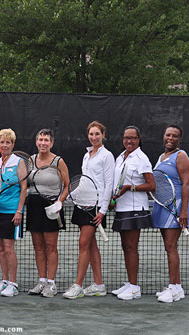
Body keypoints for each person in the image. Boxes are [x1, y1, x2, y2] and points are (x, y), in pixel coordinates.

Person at [63, 121, 114, 299]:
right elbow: (84, 181)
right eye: (91, 134)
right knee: (91, 245)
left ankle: (78, 285)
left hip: (95, 205)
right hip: (82, 203)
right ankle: (99, 285)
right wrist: (68, 197)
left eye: (97, 134)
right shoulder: (87, 155)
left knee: (83, 243)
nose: (94, 137)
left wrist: (103, 210)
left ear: (103, 135)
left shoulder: (107, 156)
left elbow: (109, 185)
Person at [111, 126, 155, 300]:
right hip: (121, 207)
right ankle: (130, 283)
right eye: (126, 138)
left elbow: (151, 185)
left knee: (131, 247)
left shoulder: (142, 158)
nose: (129, 141)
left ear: (138, 139)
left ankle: (135, 287)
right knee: (125, 247)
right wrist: (113, 198)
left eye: (133, 138)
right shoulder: (121, 157)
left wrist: (130, 187)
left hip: (135, 208)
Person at [26, 128, 69, 298]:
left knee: (50, 246)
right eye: (40, 139)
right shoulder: (30, 160)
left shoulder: (58, 161)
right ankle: (42, 281)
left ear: (51, 143)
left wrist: (59, 202)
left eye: (46, 140)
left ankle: (51, 284)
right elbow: (26, 183)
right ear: (36, 142)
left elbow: (67, 185)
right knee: (38, 246)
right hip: (34, 205)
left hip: (52, 206)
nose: (43, 143)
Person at [152, 125, 189, 303]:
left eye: (174, 136)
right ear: (163, 136)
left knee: (171, 246)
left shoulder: (181, 156)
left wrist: (183, 210)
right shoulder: (161, 157)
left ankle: (174, 287)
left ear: (179, 139)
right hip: (162, 206)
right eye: (168, 134)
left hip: (176, 208)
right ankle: (177, 287)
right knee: (168, 247)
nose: (170, 138)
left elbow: (186, 184)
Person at [0, 129, 27, 297]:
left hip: (12, 212)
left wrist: (19, 211)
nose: (4, 145)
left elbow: (24, 188)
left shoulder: (19, 162)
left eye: (8, 142)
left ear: (12, 144)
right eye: (2, 142)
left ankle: (13, 283)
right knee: (1, 248)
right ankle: (4, 281)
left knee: (9, 248)